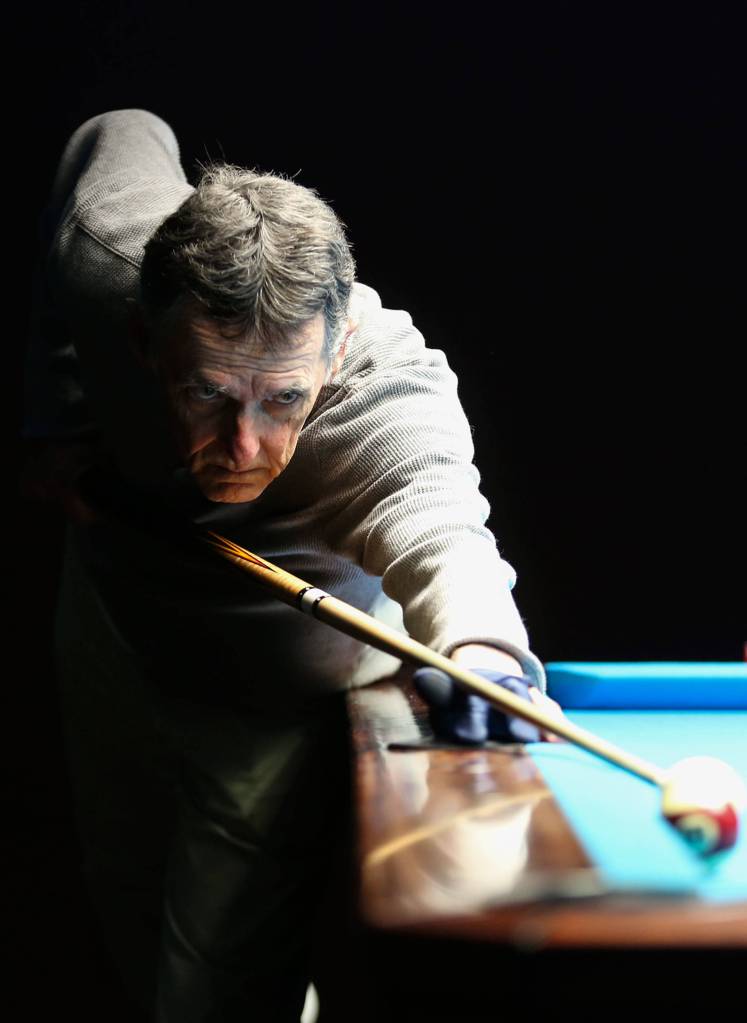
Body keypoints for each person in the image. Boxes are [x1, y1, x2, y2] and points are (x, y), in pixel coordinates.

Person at [23, 108, 563, 1022]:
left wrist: (481, 657)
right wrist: (56, 416)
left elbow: (440, 529)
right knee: (118, 901)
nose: (242, 443)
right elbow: (116, 130)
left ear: (335, 351)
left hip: (275, 688)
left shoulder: (381, 392)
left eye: (282, 400)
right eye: (207, 392)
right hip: (113, 621)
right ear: (143, 338)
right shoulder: (106, 254)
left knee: (209, 994)